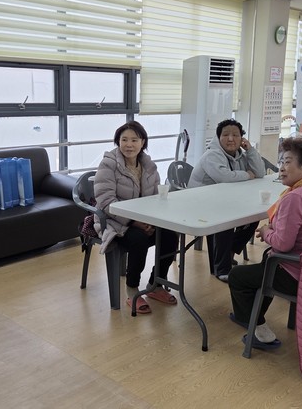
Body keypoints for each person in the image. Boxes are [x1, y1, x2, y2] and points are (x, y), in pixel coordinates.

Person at [227, 138, 302, 350]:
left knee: (237, 276)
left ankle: (256, 328)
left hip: (298, 272)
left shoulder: (295, 197)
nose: (281, 168)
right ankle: (253, 314)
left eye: (288, 162)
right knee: (265, 262)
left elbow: (283, 245)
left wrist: (266, 231)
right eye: (282, 162)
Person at [94, 121, 179, 314]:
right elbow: (106, 202)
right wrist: (133, 222)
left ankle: (155, 284)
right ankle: (132, 290)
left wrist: (150, 220)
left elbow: (155, 198)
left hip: (144, 219)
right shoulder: (108, 164)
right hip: (115, 221)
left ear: (143, 142)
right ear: (118, 142)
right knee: (138, 240)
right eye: (124, 140)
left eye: (134, 140)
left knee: (170, 235)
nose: (129, 145)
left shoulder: (149, 166)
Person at [187, 119, 265, 281]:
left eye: (235, 135)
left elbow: (260, 172)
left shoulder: (240, 155)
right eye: (225, 135)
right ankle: (222, 269)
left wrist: (250, 150)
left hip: (224, 202)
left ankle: (228, 253)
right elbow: (224, 177)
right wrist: (247, 175)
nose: (230, 139)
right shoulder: (212, 155)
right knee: (226, 221)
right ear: (218, 137)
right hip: (199, 204)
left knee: (253, 218)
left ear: (242, 138)